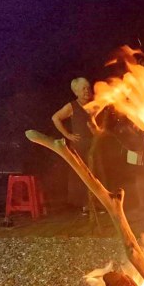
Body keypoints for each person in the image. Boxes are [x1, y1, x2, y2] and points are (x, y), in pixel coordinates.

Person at [51, 77, 99, 211]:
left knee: (95, 174)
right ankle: (85, 205)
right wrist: (68, 135)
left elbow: (97, 127)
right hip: (80, 146)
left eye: (88, 88)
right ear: (76, 91)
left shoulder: (93, 105)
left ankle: (96, 203)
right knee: (83, 175)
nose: (87, 91)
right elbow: (55, 118)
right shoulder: (72, 106)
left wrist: (96, 131)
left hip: (94, 145)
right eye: (83, 88)